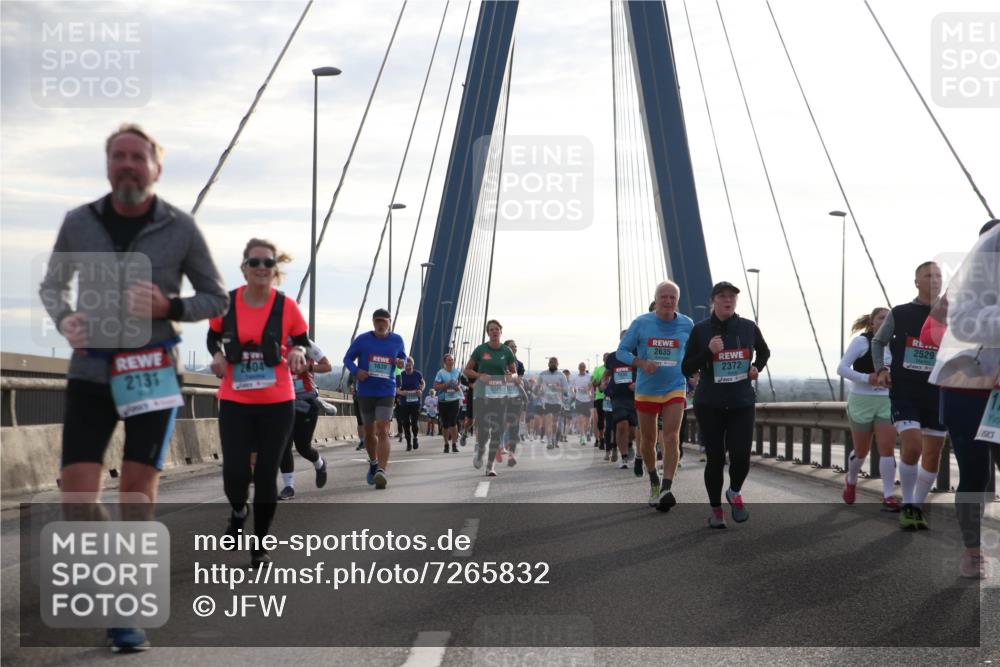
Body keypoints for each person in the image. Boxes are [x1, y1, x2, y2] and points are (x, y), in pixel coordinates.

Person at [38, 124, 228, 652]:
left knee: (135, 495)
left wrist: (171, 307)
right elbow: (52, 286)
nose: (127, 164)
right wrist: (66, 319)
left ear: (155, 168)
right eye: (118, 156)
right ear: (107, 165)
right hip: (91, 370)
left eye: (137, 157)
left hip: (151, 369)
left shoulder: (180, 227)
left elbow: (216, 298)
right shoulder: (79, 222)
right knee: (77, 495)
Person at [208, 238, 310, 569]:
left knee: (266, 475)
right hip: (235, 400)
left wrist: (298, 352)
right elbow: (213, 335)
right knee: (235, 473)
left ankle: (260, 545)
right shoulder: (227, 304)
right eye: (255, 262)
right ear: (244, 267)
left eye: (268, 263)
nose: (262, 268)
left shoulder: (286, 307)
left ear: (274, 269)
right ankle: (239, 511)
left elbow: (302, 340)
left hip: (277, 402)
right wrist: (217, 355)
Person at [929, 220, 999, 578]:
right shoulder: (967, 284)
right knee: (976, 475)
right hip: (966, 388)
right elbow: (951, 326)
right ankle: (973, 551)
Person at [682, 281, 770, 528]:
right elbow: (686, 367)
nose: (728, 300)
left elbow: (764, 352)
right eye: (722, 296)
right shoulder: (700, 330)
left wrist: (756, 368)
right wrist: (708, 352)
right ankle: (716, 510)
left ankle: (734, 491)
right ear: (713, 301)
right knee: (716, 459)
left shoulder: (748, 327)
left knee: (741, 456)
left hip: (741, 402)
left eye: (732, 296)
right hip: (710, 403)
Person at [871, 262, 945, 530]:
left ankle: (916, 506)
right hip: (905, 391)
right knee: (913, 447)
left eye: (938, 275)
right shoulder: (900, 313)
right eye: (928, 275)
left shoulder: (951, 314)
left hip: (938, 392)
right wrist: (881, 369)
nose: (934, 280)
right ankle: (909, 506)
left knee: (933, 455)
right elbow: (878, 341)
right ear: (917, 282)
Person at [618, 281, 694, 511]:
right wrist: (641, 363)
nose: (668, 301)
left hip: (675, 387)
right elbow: (621, 352)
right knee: (649, 440)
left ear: (677, 300)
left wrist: (695, 372)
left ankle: (666, 488)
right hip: (647, 390)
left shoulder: (687, 324)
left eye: (673, 297)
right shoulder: (642, 323)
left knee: (671, 437)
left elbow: (694, 352)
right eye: (664, 297)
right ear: (656, 298)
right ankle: (653, 480)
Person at [836, 308, 899, 510]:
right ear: (872, 323)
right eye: (881, 318)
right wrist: (867, 378)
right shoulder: (861, 342)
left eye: (889, 318)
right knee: (861, 451)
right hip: (861, 401)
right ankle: (851, 479)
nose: (885, 321)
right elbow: (841, 368)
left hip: (886, 401)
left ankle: (888, 495)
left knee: (887, 448)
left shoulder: (896, 345)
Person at [342, 308, 407, 489]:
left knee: (383, 429)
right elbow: (347, 359)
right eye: (377, 321)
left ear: (389, 322)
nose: (380, 325)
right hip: (366, 391)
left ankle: (381, 471)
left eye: (383, 321)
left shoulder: (397, 340)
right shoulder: (362, 340)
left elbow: (403, 357)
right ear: (373, 322)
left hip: (387, 390)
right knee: (369, 433)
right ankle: (373, 462)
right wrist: (356, 371)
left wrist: (401, 362)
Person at [278, 339, 332, 500]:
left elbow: (327, 366)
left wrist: (307, 367)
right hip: (283, 401)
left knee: (303, 447)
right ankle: (289, 486)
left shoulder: (305, 343)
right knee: (284, 445)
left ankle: (320, 464)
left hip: (306, 401)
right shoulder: (272, 340)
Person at [464, 321, 519, 475]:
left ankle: (490, 465)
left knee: (497, 431)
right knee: (483, 431)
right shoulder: (481, 350)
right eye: (491, 329)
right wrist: (480, 375)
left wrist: (510, 376)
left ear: (501, 332)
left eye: (497, 329)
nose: (494, 332)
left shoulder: (507, 351)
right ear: (488, 333)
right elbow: (467, 370)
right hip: (482, 395)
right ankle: (480, 449)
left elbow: (515, 374)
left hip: (500, 395)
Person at [603, 336, 637, 470]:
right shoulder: (613, 357)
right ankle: (624, 458)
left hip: (634, 396)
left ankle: (629, 444)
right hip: (617, 396)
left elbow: (645, 372)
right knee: (621, 425)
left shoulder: (638, 355)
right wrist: (604, 382)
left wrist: (637, 383)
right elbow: (607, 372)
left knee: (633, 431)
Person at [502, 339, 527, 467]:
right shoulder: (499, 363)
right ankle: (500, 445)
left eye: (515, 346)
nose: (514, 348)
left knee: (514, 425)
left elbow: (520, 381)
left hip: (516, 397)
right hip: (501, 396)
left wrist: (513, 378)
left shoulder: (520, 364)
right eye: (511, 346)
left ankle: (511, 454)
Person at [536, 358, 569, 449]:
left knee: (555, 423)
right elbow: (537, 387)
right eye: (551, 362)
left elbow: (566, 389)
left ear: (558, 364)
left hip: (558, 402)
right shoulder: (543, 374)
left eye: (554, 363)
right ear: (548, 364)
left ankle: (554, 438)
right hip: (546, 401)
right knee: (548, 421)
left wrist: (557, 388)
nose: (553, 364)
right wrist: (539, 393)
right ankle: (549, 441)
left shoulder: (561, 375)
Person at [433, 353, 463, 453]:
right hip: (443, 400)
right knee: (445, 424)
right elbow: (435, 386)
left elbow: (459, 384)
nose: (451, 361)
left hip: (454, 400)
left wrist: (458, 387)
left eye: (452, 360)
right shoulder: (440, 373)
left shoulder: (457, 371)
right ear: (445, 362)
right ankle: (446, 444)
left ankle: (454, 444)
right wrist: (446, 384)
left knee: (453, 422)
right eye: (449, 360)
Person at [396, 357, 425, 451]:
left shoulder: (417, 374)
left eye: (409, 365)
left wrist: (420, 390)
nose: (408, 367)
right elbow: (396, 389)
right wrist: (402, 392)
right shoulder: (401, 375)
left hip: (415, 402)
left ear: (412, 365)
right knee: (405, 423)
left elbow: (423, 383)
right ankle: (408, 443)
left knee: (414, 423)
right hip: (404, 403)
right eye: (406, 365)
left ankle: (415, 437)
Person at [570, 362, 594, 445]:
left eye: (583, 367)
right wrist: (574, 393)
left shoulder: (589, 376)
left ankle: (586, 433)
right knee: (580, 419)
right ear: (578, 368)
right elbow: (571, 387)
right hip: (579, 400)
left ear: (585, 368)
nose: (582, 369)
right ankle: (583, 436)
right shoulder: (575, 377)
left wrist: (589, 389)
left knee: (587, 422)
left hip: (588, 400)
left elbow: (592, 386)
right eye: (581, 367)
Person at [592, 358, 607, 449]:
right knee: (600, 419)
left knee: (610, 419)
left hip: (612, 397)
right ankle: (601, 439)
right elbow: (594, 383)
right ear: (603, 359)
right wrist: (600, 383)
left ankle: (608, 439)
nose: (607, 360)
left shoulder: (613, 368)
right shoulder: (598, 369)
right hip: (600, 397)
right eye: (605, 358)